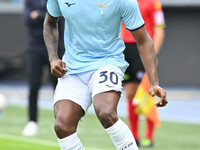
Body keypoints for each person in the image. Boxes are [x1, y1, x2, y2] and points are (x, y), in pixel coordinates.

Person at [43, 0, 168, 149]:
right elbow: (50, 23)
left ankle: (146, 136)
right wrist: (53, 58)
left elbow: (144, 40)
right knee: (62, 126)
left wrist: (154, 82)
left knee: (106, 112)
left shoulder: (124, 2)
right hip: (73, 67)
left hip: (107, 63)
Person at [120, 0, 166, 147]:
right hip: (126, 49)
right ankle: (134, 135)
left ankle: (149, 136)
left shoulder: (153, 2)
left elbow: (159, 29)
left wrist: (153, 55)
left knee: (148, 92)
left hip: (143, 48)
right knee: (130, 93)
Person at [22, 0, 64, 136]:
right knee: (33, 84)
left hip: (54, 47)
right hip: (35, 46)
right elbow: (28, 19)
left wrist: (38, 15)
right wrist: (44, 15)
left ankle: (61, 119)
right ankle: (32, 121)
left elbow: (59, 20)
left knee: (57, 85)